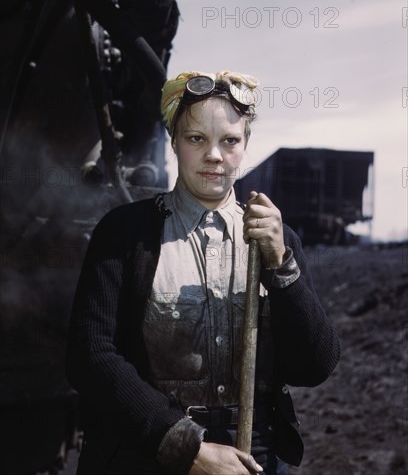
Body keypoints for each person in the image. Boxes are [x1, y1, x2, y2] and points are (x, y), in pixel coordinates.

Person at [66, 70, 340, 475]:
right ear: (175, 142)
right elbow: (90, 356)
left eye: (229, 140)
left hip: (253, 457)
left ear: (245, 145)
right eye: (197, 139)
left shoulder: (278, 241)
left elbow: (314, 366)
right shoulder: (124, 234)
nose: (215, 155)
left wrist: (282, 266)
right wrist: (184, 446)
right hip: (145, 452)